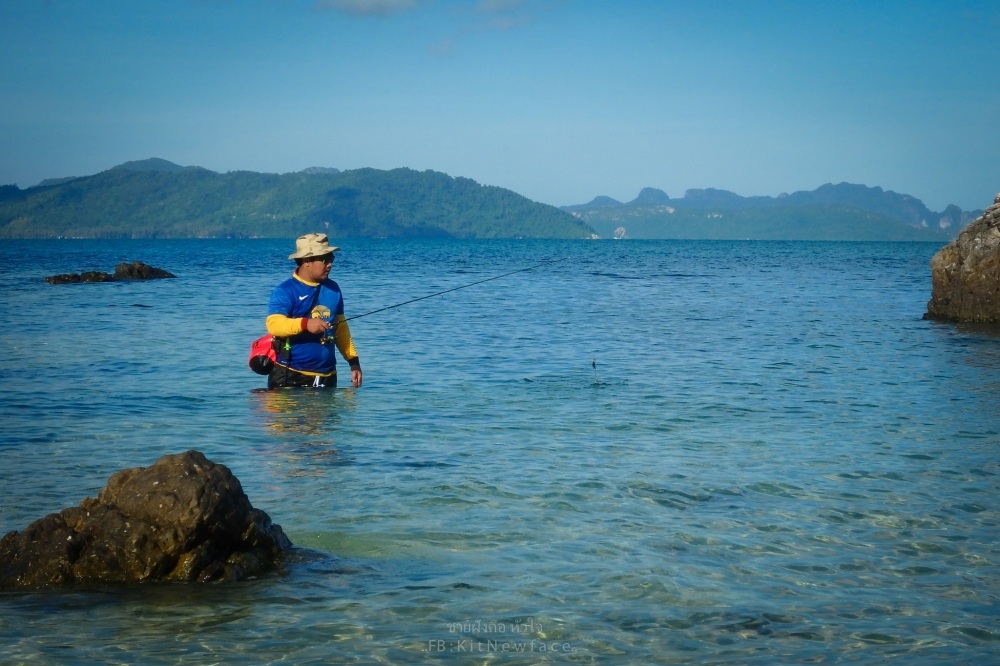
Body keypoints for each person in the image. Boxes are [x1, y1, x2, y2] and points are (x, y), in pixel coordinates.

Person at [265, 233, 363, 389]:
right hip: (290, 376)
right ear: (306, 261)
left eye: (331, 258)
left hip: (328, 377)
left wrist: (354, 362)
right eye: (325, 259)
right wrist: (305, 324)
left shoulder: (334, 289)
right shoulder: (285, 290)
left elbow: (341, 329)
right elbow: (274, 324)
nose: (330, 264)